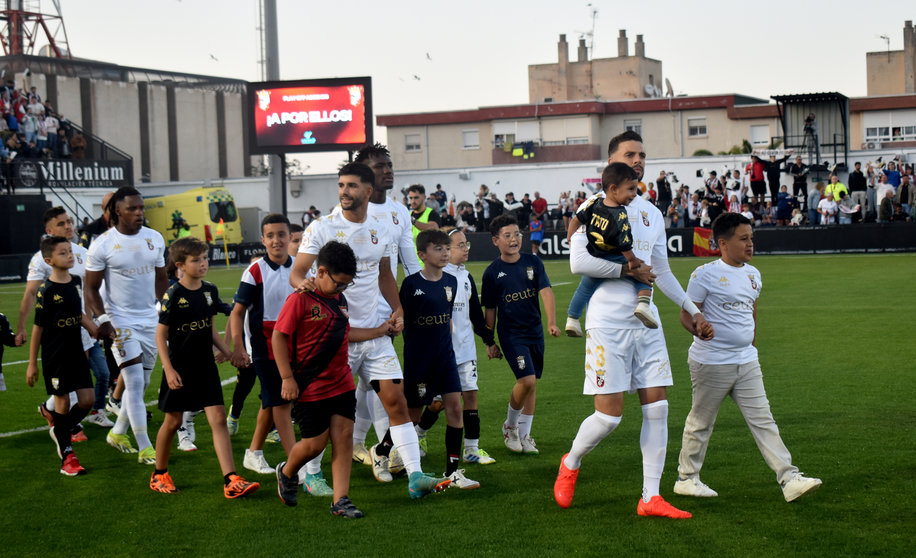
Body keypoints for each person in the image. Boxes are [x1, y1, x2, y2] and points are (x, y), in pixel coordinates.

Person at [554, 130, 711, 519]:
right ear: (612, 162)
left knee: (657, 409)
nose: (638, 160)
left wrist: (692, 307)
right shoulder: (591, 206)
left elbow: (662, 271)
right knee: (609, 416)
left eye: (642, 154)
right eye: (630, 154)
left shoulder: (652, 213)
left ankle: (650, 497)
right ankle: (571, 462)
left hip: (648, 320)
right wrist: (627, 268)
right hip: (608, 323)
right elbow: (578, 264)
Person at [291, 162, 449, 499]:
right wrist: (304, 286)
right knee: (329, 415)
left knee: (397, 402)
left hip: (376, 335)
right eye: (341, 185)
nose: (344, 191)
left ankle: (415, 475)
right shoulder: (322, 228)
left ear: (368, 190)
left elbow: (384, 275)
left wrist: (398, 309)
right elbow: (298, 272)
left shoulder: (381, 227)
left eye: (351, 186)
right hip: (335, 339)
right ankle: (311, 474)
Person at [673, 213, 822, 502]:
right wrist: (698, 327)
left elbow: (751, 313)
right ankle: (687, 478)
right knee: (701, 422)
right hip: (712, 361)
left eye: (752, 238)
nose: (750, 244)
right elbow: (686, 314)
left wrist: (750, 347)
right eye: (744, 239)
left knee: (764, 420)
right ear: (723, 244)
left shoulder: (754, 274)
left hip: (746, 361)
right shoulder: (704, 274)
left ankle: (789, 477)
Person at [151, 237, 260, 498]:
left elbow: (210, 329)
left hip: (205, 367)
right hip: (179, 367)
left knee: (218, 419)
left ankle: (231, 479)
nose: (203, 264)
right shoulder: (174, 294)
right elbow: (160, 335)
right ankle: (159, 473)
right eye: (196, 260)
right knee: (173, 421)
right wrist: (168, 369)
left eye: (205, 258)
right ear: (180, 265)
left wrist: (229, 353)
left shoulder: (209, 290)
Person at [271, 241, 365, 517]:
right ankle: (287, 472)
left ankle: (341, 500)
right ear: (321, 272)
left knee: (344, 437)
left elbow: (343, 334)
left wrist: (380, 331)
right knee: (315, 444)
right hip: (310, 385)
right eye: (339, 283)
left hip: (342, 382)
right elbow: (278, 336)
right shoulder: (300, 299)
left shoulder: (340, 298)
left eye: (347, 285)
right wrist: (287, 378)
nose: (342, 289)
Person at [348, 142, 422, 467]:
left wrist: (421, 301)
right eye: (380, 166)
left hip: (388, 310)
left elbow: (411, 264)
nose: (388, 170)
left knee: (378, 382)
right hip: (354, 315)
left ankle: (377, 448)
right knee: (369, 384)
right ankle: (375, 448)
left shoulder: (399, 211)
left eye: (389, 165)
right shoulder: (348, 215)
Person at [85, 187, 168, 465]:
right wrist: (103, 319)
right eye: (132, 209)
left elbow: (161, 279)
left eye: (141, 208)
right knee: (132, 380)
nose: (139, 213)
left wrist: (164, 309)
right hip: (120, 321)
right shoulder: (102, 244)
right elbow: (91, 288)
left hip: (149, 319)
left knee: (143, 381)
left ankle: (117, 433)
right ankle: (146, 448)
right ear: (116, 211)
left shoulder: (154, 239)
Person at [17, 207, 113, 430]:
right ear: (48, 230)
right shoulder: (41, 259)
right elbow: (31, 292)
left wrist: (93, 322)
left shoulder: (82, 252)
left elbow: (88, 292)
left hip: (81, 326)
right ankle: (65, 426)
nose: (68, 226)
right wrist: (21, 326)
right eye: (61, 223)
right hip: (58, 333)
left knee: (88, 380)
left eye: (69, 221)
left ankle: (61, 419)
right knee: (71, 383)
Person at [400, 230, 479, 489]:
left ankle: (453, 472)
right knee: (411, 416)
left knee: (455, 408)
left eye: (447, 248)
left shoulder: (451, 282)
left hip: (445, 358)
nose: (445, 253)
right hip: (419, 360)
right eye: (438, 249)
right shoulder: (411, 285)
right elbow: (404, 323)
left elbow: (446, 321)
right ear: (422, 254)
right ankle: (391, 454)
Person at [482, 214, 561, 456]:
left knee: (532, 383)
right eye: (507, 236)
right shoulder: (492, 273)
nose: (514, 239)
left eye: (517, 234)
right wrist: (489, 341)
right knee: (525, 380)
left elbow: (546, 292)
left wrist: (551, 323)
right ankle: (510, 426)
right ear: (496, 241)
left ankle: (525, 435)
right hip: (511, 335)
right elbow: (490, 310)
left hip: (534, 332)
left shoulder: (533, 263)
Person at [229, 214, 297, 476]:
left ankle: (254, 452)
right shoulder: (255, 270)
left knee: (273, 401)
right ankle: (296, 463)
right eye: (270, 236)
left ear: (290, 237)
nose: (276, 240)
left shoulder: (300, 268)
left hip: (295, 344)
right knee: (281, 402)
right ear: (263, 239)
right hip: (265, 346)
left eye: (281, 234)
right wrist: (238, 346)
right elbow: (237, 312)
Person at [25, 236, 97, 476]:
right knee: (63, 402)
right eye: (63, 253)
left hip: (76, 351)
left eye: (70, 251)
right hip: (55, 356)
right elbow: (38, 329)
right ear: (49, 260)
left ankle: (59, 428)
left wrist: (94, 328)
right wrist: (32, 364)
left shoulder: (76, 281)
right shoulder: (46, 290)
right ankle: (68, 457)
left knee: (87, 400)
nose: (70, 256)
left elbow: (79, 313)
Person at [564, 163, 657, 331]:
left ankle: (572, 319)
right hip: (615, 256)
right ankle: (643, 305)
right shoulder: (620, 215)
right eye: (631, 189)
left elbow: (576, 219)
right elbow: (624, 244)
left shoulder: (595, 203)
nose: (634, 194)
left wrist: (570, 237)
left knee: (584, 288)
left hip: (596, 256)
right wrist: (633, 261)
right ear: (614, 189)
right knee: (644, 274)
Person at [408, 184, 442, 249]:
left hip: (426, 258)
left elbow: (433, 229)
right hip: (410, 257)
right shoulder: (408, 215)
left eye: (416, 198)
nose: (413, 201)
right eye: (411, 198)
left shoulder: (432, 213)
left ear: (424, 197)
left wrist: (413, 221)